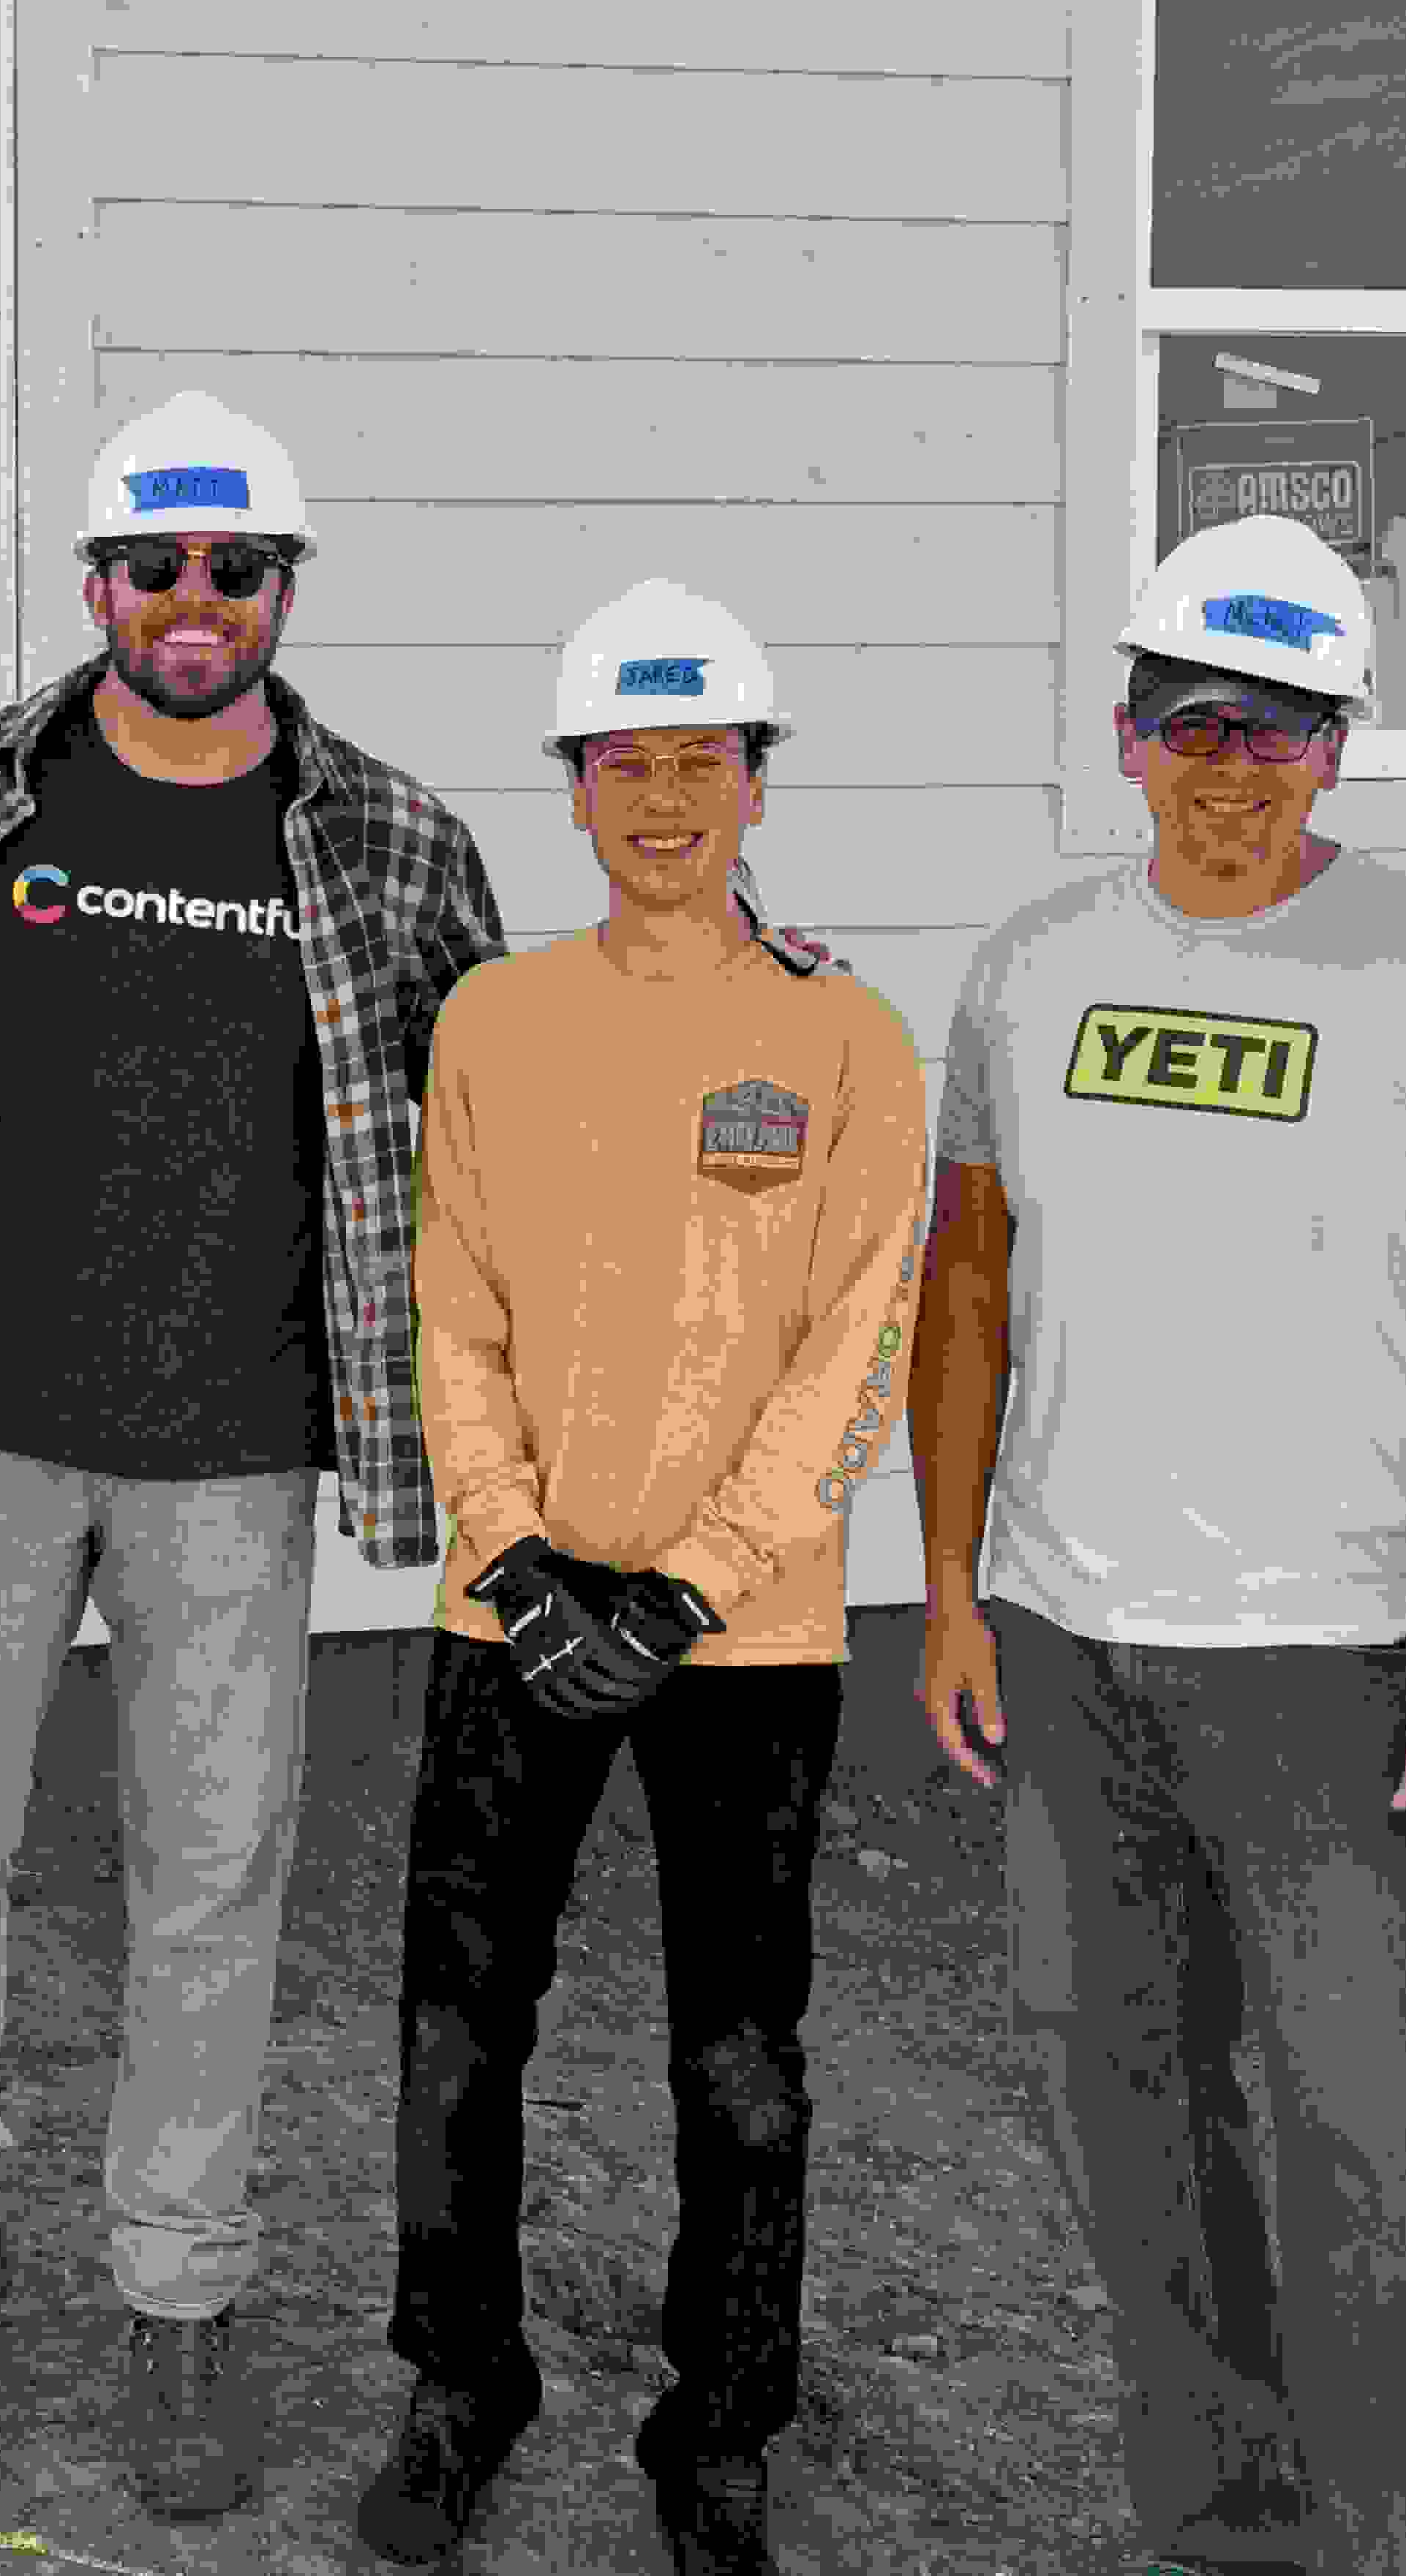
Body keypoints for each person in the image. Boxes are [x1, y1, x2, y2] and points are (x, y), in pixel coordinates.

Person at [0, 389, 508, 2518]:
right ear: (95, 583)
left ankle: (179, 2289)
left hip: (238, 1455)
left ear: (285, 592)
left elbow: (511, 1104)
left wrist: (735, 992)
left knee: (215, 1876)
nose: (194, 605)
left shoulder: (387, 840)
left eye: (237, 571)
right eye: (155, 567)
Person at [905, 513, 1406, 2576]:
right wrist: (949, 1581)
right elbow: (968, 1296)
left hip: (1343, 1660)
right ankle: (1226, 2515)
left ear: (1337, 750)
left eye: (1283, 723)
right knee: (1128, 2114)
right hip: (1071, 1644)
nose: (1234, 758)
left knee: (1358, 2134)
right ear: (1126, 733)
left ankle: (1397, 2537)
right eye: (1196, 715)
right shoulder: (1032, 969)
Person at [356, 584, 926, 2576]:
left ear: (756, 786)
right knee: (453, 2025)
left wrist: (680, 1590)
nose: (666, 795)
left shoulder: (845, 1037)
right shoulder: (497, 1021)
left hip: (745, 1635)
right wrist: (516, 1559)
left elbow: (857, 1352)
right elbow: (456, 1316)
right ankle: (459, 2376)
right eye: (627, 760)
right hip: (515, 1615)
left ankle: (723, 2423)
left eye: (705, 759)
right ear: (576, 791)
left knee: (743, 2059)